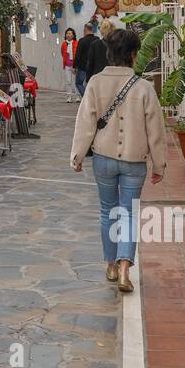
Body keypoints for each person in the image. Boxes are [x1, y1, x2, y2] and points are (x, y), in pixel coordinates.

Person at [70, 28, 166, 293]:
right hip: (135, 161)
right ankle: (125, 269)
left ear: (109, 53)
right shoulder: (144, 87)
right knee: (129, 213)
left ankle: (111, 265)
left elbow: (85, 123)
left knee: (107, 211)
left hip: (103, 158)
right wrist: (159, 164)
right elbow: (156, 130)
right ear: (134, 55)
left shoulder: (95, 83)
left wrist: (78, 155)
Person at [72, 22, 97, 100]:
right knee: (92, 84)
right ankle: (92, 98)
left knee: (79, 83)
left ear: (85, 29)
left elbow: (78, 55)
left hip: (83, 67)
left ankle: (87, 98)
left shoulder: (82, 40)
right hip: (94, 67)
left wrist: (74, 66)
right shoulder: (97, 39)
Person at [60, 28, 79, 102]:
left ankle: (78, 96)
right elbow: (62, 53)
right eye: (67, 33)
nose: (68, 35)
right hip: (67, 65)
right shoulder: (64, 44)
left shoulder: (77, 43)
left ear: (73, 35)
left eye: (70, 33)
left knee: (76, 81)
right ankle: (69, 97)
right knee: (68, 81)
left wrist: (76, 65)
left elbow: (78, 54)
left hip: (75, 65)